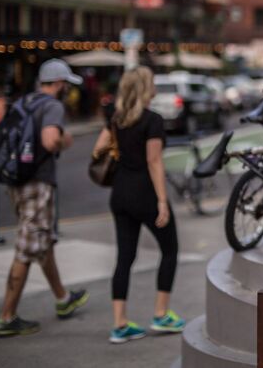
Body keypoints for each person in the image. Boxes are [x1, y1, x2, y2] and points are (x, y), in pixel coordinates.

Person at [0, 59, 89, 338]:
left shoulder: (25, 102)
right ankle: (6, 317)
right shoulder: (53, 106)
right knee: (27, 247)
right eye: (66, 85)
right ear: (58, 83)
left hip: (17, 180)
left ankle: (62, 299)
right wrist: (64, 140)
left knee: (42, 241)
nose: (67, 90)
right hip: (36, 182)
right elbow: (49, 141)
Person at [92, 66, 184, 344]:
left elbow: (97, 150)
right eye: (153, 81)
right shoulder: (152, 120)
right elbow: (153, 161)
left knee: (124, 258)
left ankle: (120, 325)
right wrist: (162, 201)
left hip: (119, 194)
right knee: (170, 249)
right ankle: (161, 314)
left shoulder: (115, 117)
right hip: (144, 194)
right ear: (145, 88)